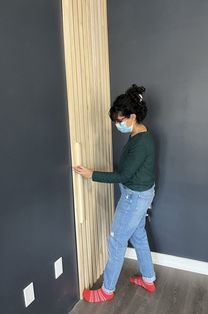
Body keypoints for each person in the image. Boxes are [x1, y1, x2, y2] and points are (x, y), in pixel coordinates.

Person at [72, 84, 156, 303]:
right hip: (140, 195)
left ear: (132, 116)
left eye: (120, 121)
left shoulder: (141, 143)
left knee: (116, 241)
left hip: (134, 197)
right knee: (138, 236)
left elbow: (124, 175)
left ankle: (106, 291)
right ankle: (148, 278)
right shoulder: (139, 134)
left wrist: (92, 174)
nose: (118, 125)